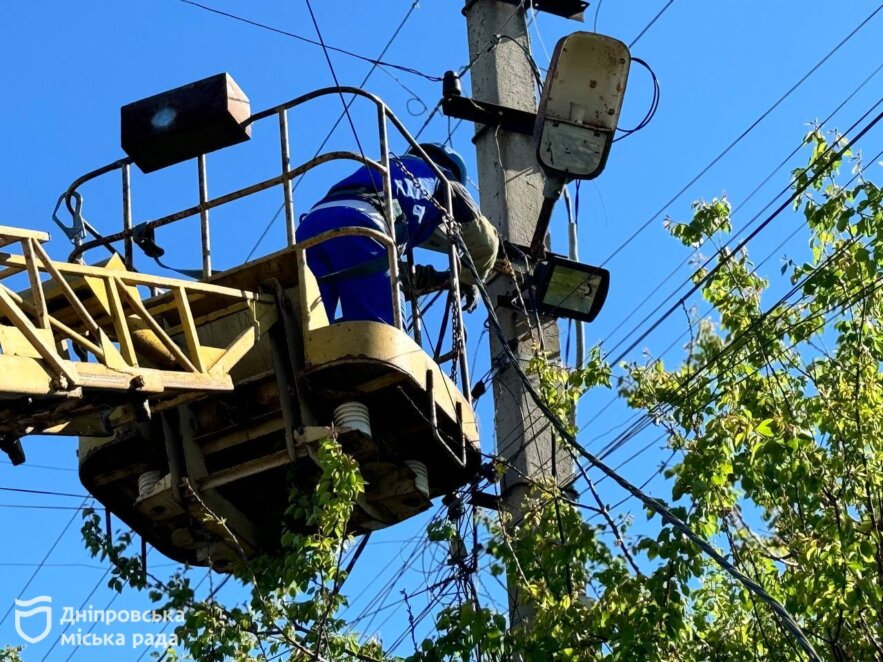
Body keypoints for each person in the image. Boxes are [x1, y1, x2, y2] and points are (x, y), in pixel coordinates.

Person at [295, 143, 499, 324]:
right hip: (364, 225)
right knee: (381, 341)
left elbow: (384, 271)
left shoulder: (385, 169)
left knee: (306, 334)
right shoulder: (445, 180)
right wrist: (466, 279)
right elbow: (486, 244)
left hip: (311, 226)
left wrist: (442, 278)